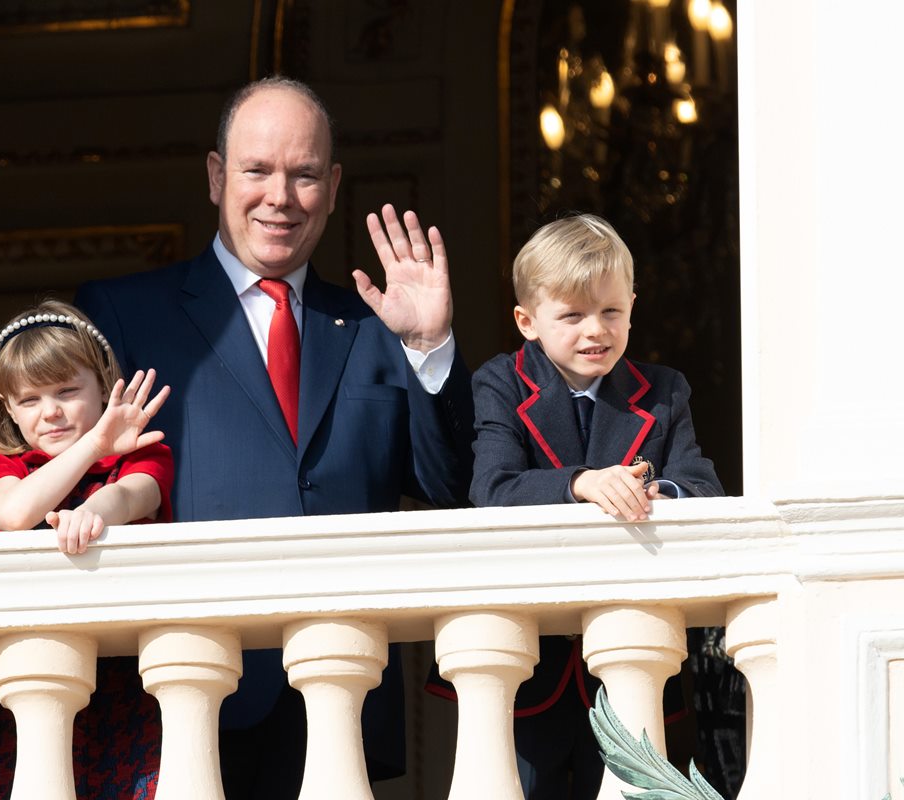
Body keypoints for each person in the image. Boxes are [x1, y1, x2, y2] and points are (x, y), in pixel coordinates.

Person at [75, 77, 474, 797]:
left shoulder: (381, 324)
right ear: (216, 176)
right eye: (257, 170)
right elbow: (77, 476)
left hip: (343, 686)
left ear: (334, 184)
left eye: (305, 175)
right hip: (187, 686)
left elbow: (449, 485)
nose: (281, 198)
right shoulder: (124, 313)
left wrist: (430, 347)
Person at [433, 213, 723, 799]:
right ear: (528, 321)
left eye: (612, 311)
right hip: (526, 663)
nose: (596, 330)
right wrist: (580, 483)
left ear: (633, 306)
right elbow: (491, 487)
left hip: (629, 658)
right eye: (572, 315)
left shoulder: (665, 390)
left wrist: (657, 492)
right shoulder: (501, 382)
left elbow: (702, 485)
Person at [0, 298, 173, 799]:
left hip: (115, 682)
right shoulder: (5, 467)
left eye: (66, 390)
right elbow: (14, 515)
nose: (50, 412)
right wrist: (95, 445)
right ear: (8, 410)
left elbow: (130, 494)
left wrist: (93, 510)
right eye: (29, 400)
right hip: (8, 681)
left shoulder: (141, 455)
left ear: (103, 385)